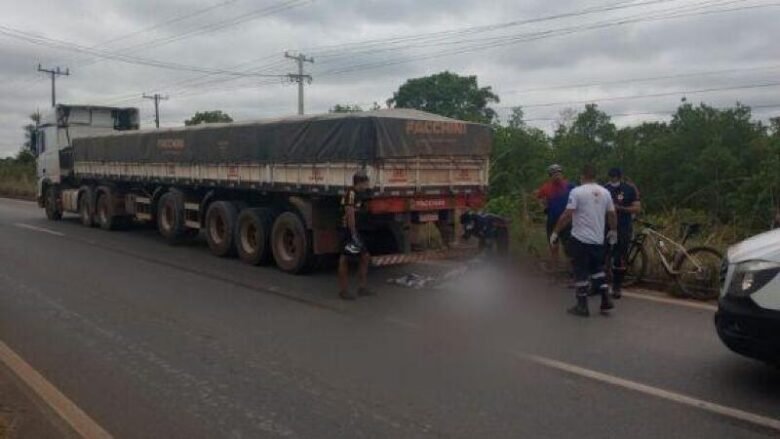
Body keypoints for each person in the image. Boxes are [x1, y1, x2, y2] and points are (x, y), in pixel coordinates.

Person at [550, 164, 618, 317]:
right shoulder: (605, 192)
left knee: (580, 271)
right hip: (597, 239)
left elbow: (567, 214)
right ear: (595, 176)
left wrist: (555, 232)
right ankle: (606, 300)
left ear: (583, 176)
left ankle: (582, 306)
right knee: (597, 270)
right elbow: (612, 215)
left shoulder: (577, 191)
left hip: (580, 238)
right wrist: (613, 231)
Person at [604, 168, 641, 298]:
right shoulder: (604, 189)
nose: (613, 178)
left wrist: (621, 208)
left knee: (620, 258)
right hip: (606, 227)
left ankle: (617, 287)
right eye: (611, 176)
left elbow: (637, 208)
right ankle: (599, 284)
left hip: (623, 226)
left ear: (620, 177)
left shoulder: (629, 189)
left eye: (615, 176)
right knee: (602, 255)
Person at [338, 170, 373, 300]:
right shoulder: (350, 194)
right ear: (360, 183)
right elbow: (350, 214)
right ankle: (343, 291)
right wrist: (353, 234)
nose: (368, 185)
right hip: (348, 231)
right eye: (366, 183)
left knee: (364, 257)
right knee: (345, 259)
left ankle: (362, 288)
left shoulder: (359, 195)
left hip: (354, 231)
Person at [535, 164, 575, 269]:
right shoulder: (546, 187)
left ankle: (571, 269)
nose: (557, 176)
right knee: (553, 244)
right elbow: (538, 197)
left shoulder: (569, 186)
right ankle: (555, 267)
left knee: (569, 246)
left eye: (559, 173)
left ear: (562, 174)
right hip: (552, 220)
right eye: (554, 174)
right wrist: (543, 207)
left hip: (567, 221)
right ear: (550, 176)